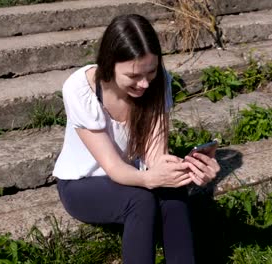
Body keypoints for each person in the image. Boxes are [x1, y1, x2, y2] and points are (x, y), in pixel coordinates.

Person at [52, 14, 221, 264]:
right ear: (109, 64)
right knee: (139, 200)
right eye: (133, 76)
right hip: (82, 184)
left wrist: (187, 171)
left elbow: (155, 154)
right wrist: (150, 178)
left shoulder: (157, 82)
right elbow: (113, 167)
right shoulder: (79, 89)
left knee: (173, 194)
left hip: (134, 176)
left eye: (150, 72)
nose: (144, 83)